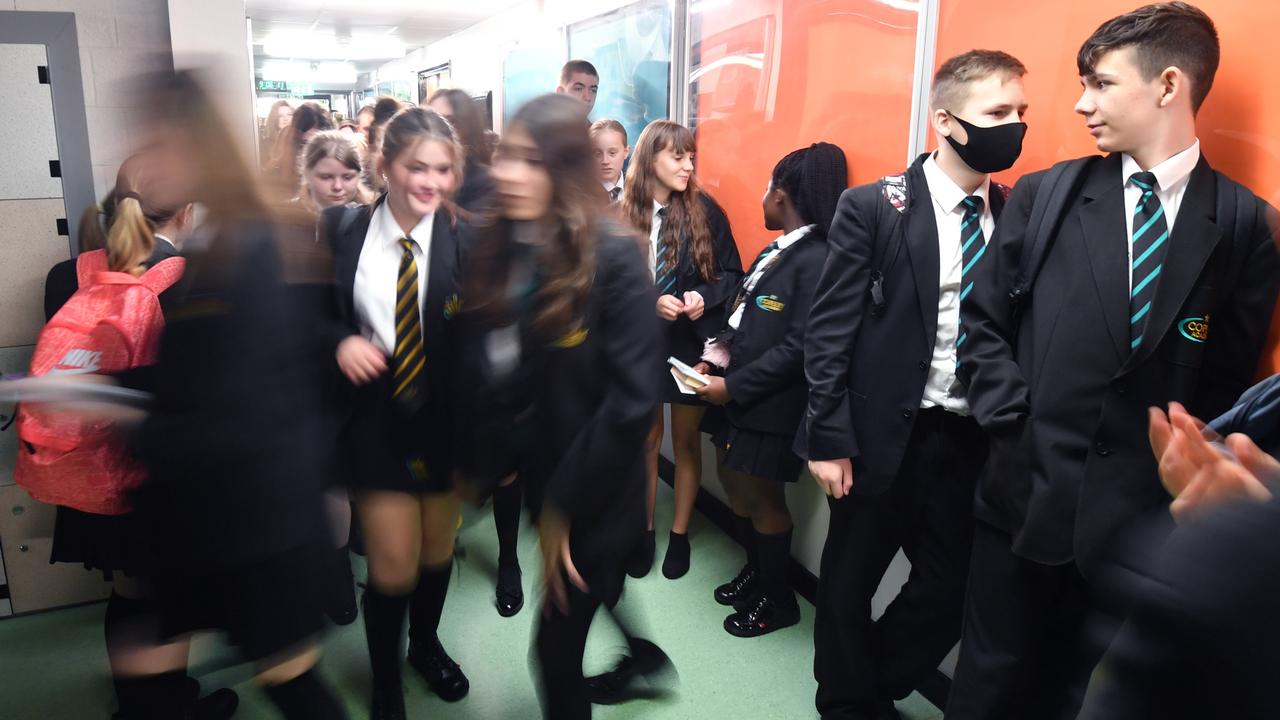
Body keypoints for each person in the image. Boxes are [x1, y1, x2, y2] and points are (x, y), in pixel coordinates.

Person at [946, 5, 1280, 719]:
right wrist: (1015, 424)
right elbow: (982, 326)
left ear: (1166, 86)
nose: (1080, 103)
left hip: (1132, 526)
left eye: (1099, 84)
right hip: (1022, 497)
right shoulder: (1048, 195)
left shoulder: (1244, 223)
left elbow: (1225, 377)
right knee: (985, 689)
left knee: (1070, 693)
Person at [797, 50, 1027, 720]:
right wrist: (827, 438)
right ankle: (845, 705)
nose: (1014, 126)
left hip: (968, 440)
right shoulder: (874, 207)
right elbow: (829, 330)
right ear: (947, 121)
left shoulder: (1016, 215)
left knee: (950, 592)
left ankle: (870, 688)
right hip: (877, 436)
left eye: (1021, 113)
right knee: (847, 584)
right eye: (997, 113)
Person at [122, 70, 349, 720]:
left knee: (293, 685)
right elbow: (204, 371)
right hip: (222, 515)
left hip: (257, 523)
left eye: (156, 141)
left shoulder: (246, 247)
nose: (141, 162)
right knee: (155, 677)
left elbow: (243, 403)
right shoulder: (218, 241)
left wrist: (132, 425)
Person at [454, 91, 670, 720]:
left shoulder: (614, 255)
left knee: (552, 654)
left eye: (529, 159)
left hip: (595, 493)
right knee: (580, 602)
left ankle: (638, 658)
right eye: (505, 156)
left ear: (564, 169)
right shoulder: (515, 241)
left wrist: (560, 509)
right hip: (546, 473)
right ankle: (644, 655)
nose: (505, 172)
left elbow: (631, 402)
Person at [37, 154, 232, 720]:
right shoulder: (192, 280)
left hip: (86, 466)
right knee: (168, 592)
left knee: (127, 591)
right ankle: (168, 705)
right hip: (159, 471)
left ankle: (140, 706)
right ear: (188, 212)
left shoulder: (65, 274)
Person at [321, 106, 470, 719]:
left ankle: (425, 646)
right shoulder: (339, 230)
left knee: (436, 553)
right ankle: (386, 680)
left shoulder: (470, 238)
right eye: (416, 167)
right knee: (391, 563)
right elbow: (308, 313)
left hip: (445, 425)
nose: (430, 182)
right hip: (374, 420)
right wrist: (337, 340)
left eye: (442, 169)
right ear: (385, 166)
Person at [693, 142, 848, 638]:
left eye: (766, 188)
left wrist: (732, 386)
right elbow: (742, 319)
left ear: (781, 195)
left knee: (765, 499)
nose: (762, 197)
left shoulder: (818, 257)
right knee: (735, 481)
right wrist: (711, 359)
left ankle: (778, 602)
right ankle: (758, 574)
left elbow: (801, 347)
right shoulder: (779, 250)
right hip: (738, 394)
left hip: (770, 404)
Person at [619, 119, 743, 580]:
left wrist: (701, 298)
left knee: (686, 443)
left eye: (692, 156)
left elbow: (733, 275)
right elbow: (602, 286)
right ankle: (645, 531)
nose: (688, 165)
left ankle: (679, 534)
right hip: (641, 346)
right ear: (650, 158)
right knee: (646, 443)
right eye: (678, 156)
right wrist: (649, 300)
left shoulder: (705, 210)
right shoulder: (621, 214)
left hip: (691, 349)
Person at [428, 88, 496, 216]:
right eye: (430, 121)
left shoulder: (486, 181)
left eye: (450, 122)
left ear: (468, 127)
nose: (436, 131)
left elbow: (478, 230)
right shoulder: (415, 176)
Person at [265, 102, 334, 202]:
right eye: (305, 144)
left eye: (319, 145)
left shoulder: (343, 181)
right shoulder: (275, 179)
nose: (312, 153)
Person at [296, 130, 373, 214]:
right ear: (307, 174)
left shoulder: (373, 215)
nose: (337, 186)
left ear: (359, 175)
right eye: (326, 177)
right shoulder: (285, 217)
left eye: (347, 178)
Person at [590, 119, 630, 203]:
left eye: (612, 153)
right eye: (597, 154)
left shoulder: (639, 191)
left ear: (626, 152)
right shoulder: (581, 195)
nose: (605, 161)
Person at [261, 100, 293, 170]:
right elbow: (264, 169)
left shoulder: (300, 140)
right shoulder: (265, 143)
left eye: (289, 114)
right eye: (280, 116)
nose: (285, 119)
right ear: (274, 119)